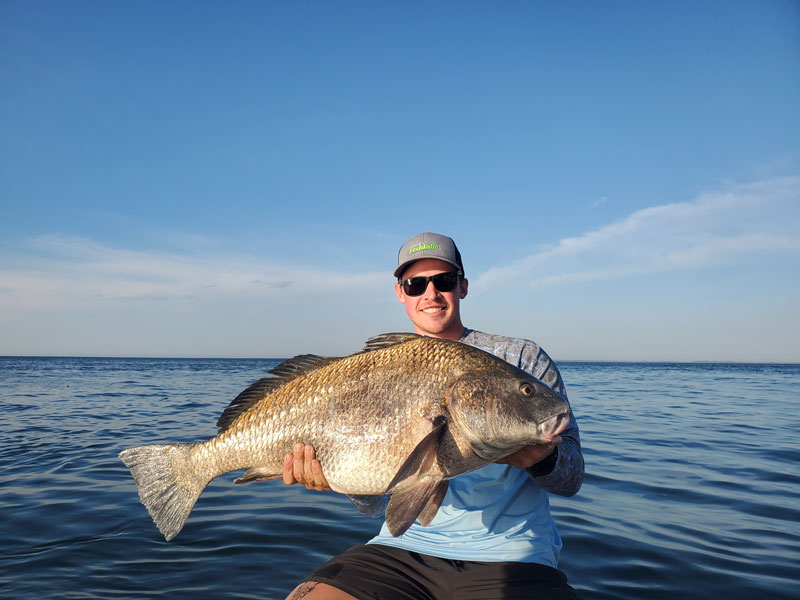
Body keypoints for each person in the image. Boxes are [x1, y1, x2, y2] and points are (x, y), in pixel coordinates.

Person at [283, 232, 584, 600]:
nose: (430, 293)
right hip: (402, 550)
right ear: (400, 293)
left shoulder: (522, 359)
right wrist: (333, 478)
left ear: (463, 286)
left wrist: (545, 459)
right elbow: (375, 504)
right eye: (415, 284)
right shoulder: (373, 372)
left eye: (443, 280)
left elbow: (572, 479)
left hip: (512, 557)